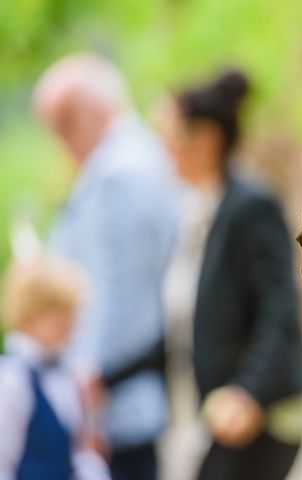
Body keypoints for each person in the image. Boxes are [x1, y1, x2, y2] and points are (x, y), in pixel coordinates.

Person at [158, 69, 302, 480]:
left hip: (261, 413)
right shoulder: (197, 209)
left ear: (204, 139)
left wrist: (247, 391)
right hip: (219, 414)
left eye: (169, 135)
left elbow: (279, 306)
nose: (163, 148)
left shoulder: (250, 205)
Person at [33, 54, 178, 480]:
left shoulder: (118, 174)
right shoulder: (132, 159)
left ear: (95, 111)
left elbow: (118, 292)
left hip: (114, 403)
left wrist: (88, 388)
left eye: (64, 125)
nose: (61, 142)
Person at [0, 254, 111, 480]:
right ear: (30, 314)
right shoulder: (13, 381)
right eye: (59, 316)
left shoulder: (70, 375)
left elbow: (80, 452)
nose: (69, 326)